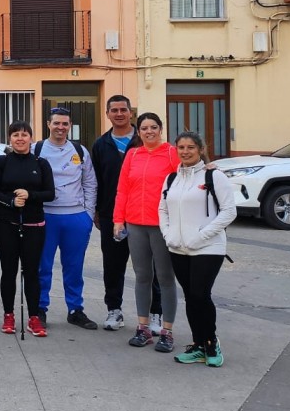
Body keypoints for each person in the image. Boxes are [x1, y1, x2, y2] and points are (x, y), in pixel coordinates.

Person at [159, 131, 236, 368]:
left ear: (200, 149)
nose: (185, 151)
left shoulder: (214, 176)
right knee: (191, 297)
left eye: (190, 147)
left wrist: (202, 235)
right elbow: (163, 209)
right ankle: (198, 345)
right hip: (178, 248)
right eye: (181, 147)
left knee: (201, 295)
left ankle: (211, 342)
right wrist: (168, 234)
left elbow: (229, 212)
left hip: (208, 248)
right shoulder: (172, 178)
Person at [91, 95, 161, 332]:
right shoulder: (101, 145)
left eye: (123, 110)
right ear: (107, 114)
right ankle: (114, 310)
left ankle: (155, 314)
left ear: (130, 112)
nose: (119, 114)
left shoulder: (145, 140)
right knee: (113, 266)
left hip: (147, 216)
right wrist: (97, 212)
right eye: (114, 110)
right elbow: (96, 181)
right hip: (113, 216)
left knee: (151, 269)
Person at [113, 112, 181, 352]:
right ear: (138, 132)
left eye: (153, 127)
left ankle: (167, 331)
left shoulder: (172, 153)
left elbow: (186, 180)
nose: (149, 131)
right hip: (135, 223)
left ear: (161, 129)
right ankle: (143, 328)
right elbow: (123, 189)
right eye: (144, 128)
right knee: (142, 276)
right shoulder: (133, 154)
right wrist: (118, 219)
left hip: (163, 225)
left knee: (165, 278)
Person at [0, 121, 55, 337]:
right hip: (6, 223)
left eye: (24, 134)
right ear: (10, 139)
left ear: (31, 138)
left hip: (34, 224)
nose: (20, 138)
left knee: (31, 272)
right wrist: (10, 201)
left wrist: (30, 195)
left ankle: (34, 317)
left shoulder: (41, 163)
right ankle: (8, 315)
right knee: (9, 271)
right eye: (15, 134)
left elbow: (50, 193)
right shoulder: (1, 162)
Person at [35, 107, 99, 331]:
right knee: (42, 267)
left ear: (69, 126)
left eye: (65, 124)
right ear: (48, 124)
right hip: (45, 216)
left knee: (74, 267)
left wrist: (88, 215)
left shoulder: (80, 151)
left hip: (75, 217)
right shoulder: (37, 149)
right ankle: (40, 309)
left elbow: (90, 183)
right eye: (56, 123)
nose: (60, 128)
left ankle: (75, 310)